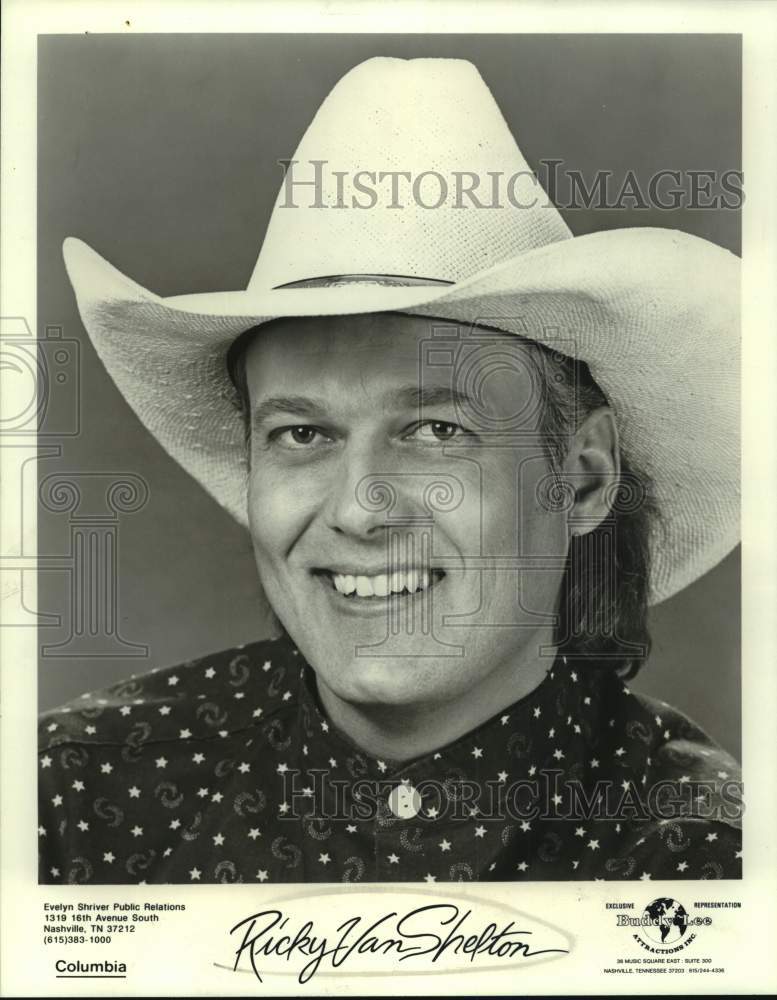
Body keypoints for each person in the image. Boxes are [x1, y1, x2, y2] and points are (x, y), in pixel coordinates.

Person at [38, 57, 741, 884]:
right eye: (302, 434)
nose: (360, 510)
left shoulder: (706, 861)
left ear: (581, 479)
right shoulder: (67, 799)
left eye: (436, 428)